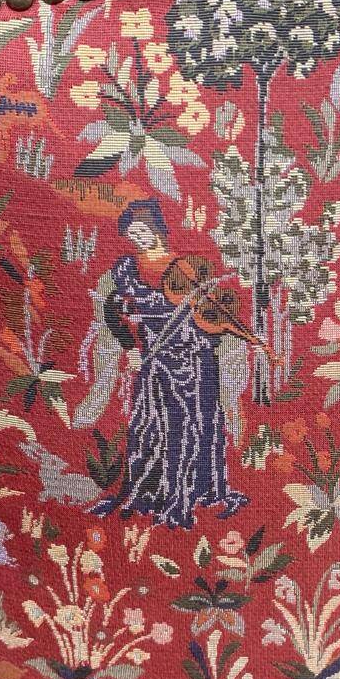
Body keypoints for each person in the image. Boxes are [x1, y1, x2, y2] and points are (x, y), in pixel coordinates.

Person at [96, 198, 249, 530]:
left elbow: (207, 315)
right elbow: (113, 311)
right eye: (133, 233)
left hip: (195, 358)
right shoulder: (126, 270)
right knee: (160, 424)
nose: (139, 238)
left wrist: (211, 330)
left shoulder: (187, 268)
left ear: (158, 229)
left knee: (201, 420)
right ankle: (159, 494)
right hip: (155, 358)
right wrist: (130, 347)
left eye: (144, 230)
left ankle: (201, 491)